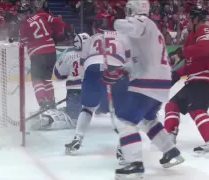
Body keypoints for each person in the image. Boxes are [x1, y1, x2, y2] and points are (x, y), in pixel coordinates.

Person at [112, 0, 184, 179]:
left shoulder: (141, 21)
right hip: (162, 80)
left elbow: (133, 27)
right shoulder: (153, 29)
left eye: (129, 9)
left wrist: (115, 23)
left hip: (148, 80)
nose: (127, 13)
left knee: (125, 119)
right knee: (147, 120)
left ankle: (134, 163)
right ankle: (170, 151)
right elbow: (142, 57)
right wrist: (125, 68)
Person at [64, 21, 131, 156]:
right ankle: (123, 145)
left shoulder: (92, 38)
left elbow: (82, 63)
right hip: (115, 69)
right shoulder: (124, 38)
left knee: (87, 108)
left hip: (93, 69)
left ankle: (77, 138)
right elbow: (129, 62)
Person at [163, 4, 209, 155]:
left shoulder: (205, 29)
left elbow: (206, 47)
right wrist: (175, 75)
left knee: (196, 109)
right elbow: (190, 64)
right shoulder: (191, 36)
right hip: (196, 79)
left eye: (190, 18)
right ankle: (170, 134)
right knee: (172, 105)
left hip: (206, 78)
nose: (187, 21)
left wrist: (182, 52)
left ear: (196, 19)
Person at [30, 33, 90, 130]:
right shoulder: (95, 57)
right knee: (85, 113)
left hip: (74, 92)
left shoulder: (68, 55)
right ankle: (54, 117)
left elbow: (59, 75)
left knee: (74, 119)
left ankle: (51, 119)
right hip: (93, 91)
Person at [18, 4, 61, 110]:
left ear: (28, 13)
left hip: (37, 53)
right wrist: (56, 34)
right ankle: (51, 102)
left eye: (22, 14)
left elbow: (24, 42)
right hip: (51, 51)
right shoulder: (42, 15)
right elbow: (58, 22)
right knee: (46, 79)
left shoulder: (23, 26)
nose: (21, 17)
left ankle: (42, 102)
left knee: (37, 79)